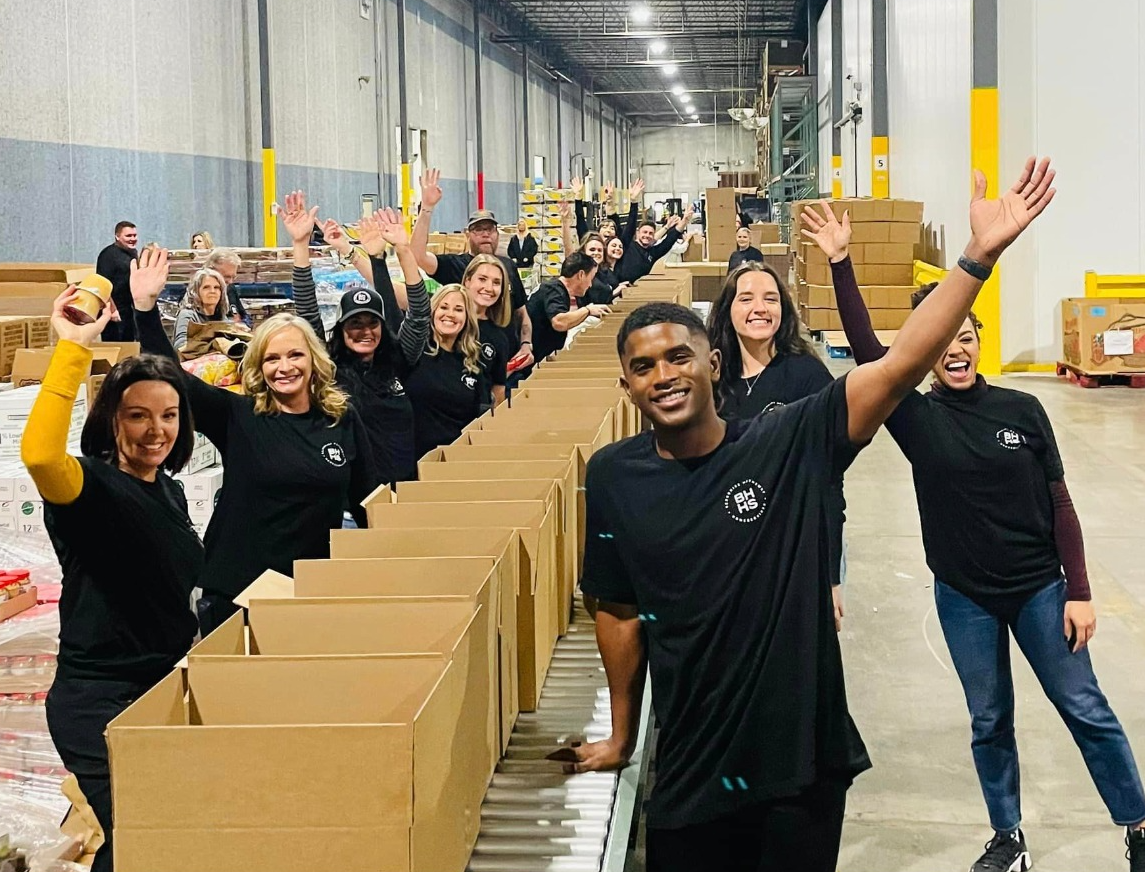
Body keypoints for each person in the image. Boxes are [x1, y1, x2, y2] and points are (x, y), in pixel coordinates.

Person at [565, 156, 1058, 872]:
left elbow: (894, 367)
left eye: (678, 357)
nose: (664, 375)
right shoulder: (613, 475)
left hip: (796, 760)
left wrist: (976, 259)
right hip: (691, 762)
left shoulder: (786, 440)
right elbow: (613, 608)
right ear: (626, 385)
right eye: (644, 367)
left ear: (710, 361)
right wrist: (619, 736)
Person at [800, 178, 1145, 872]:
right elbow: (869, 350)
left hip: (1039, 591)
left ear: (978, 342)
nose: (953, 349)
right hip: (961, 595)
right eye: (941, 341)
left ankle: (1137, 824)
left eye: (965, 336)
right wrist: (839, 263)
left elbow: (1061, 504)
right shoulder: (915, 417)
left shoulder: (1023, 409)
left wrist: (1078, 590)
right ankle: (1007, 837)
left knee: (1084, 709)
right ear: (927, 352)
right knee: (989, 722)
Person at [23, 289, 201, 872]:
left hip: (159, 691)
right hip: (100, 700)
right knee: (142, 832)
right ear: (111, 418)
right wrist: (72, 351)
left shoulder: (169, 490)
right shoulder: (87, 490)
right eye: (137, 414)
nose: (157, 430)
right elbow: (41, 456)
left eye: (169, 415)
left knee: (160, 831)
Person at [130, 248, 378, 636]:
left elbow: (368, 501)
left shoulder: (341, 419)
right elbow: (170, 379)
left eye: (295, 355)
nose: (284, 367)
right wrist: (145, 310)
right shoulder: (239, 416)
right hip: (237, 592)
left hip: (310, 590)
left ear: (313, 360)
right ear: (258, 367)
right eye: (271, 358)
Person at [706, 260, 845, 628]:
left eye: (771, 299)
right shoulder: (710, 379)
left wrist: (830, 576)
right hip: (725, 548)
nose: (760, 309)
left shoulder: (807, 376)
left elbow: (827, 480)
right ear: (727, 310)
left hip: (793, 545)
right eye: (746, 298)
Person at [284, 191, 431, 487]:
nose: (365, 331)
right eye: (354, 324)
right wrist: (300, 246)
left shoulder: (397, 363)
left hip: (404, 492)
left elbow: (418, 314)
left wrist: (402, 249)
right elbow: (308, 314)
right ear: (340, 329)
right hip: (351, 504)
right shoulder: (329, 369)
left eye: (371, 323)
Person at [412, 168, 534, 372]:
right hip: (471, 366)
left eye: (490, 229)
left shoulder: (508, 266)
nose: (486, 234)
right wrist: (426, 209)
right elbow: (418, 255)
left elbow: (522, 313)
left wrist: (526, 344)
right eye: (479, 229)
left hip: (510, 362)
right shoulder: (455, 265)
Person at [404, 285, 485, 459]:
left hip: (455, 461)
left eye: (458, 309)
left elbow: (478, 417)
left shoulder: (472, 362)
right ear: (432, 312)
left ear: (467, 317)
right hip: (413, 460)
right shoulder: (414, 352)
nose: (450, 314)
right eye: (443, 307)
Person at [525, 251, 609, 363]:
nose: (590, 285)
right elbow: (559, 322)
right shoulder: (554, 290)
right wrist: (588, 310)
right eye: (591, 278)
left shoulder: (555, 288)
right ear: (581, 275)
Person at [461, 254, 513, 406]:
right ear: (467, 281)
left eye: (496, 282)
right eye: (482, 279)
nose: (489, 288)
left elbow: (498, 388)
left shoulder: (499, 337)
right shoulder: (447, 322)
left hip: (474, 421)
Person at [615, 209, 691, 284]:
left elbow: (670, 239)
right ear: (638, 233)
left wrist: (685, 221)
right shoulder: (627, 245)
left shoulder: (653, 253)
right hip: (619, 289)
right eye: (645, 232)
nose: (647, 235)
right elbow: (625, 226)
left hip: (638, 290)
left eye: (650, 233)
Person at [96, 221, 139, 341]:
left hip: (129, 312)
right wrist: (112, 310)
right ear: (117, 236)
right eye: (128, 236)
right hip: (115, 313)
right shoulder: (108, 255)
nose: (133, 239)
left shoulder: (132, 253)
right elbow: (102, 284)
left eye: (134, 235)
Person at [173, 267, 227, 348]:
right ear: (196, 292)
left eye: (216, 287)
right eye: (206, 287)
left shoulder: (222, 317)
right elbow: (180, 345)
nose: (212, 291)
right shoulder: (188, 315)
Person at [202, 247, 251, 328]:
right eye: (226, 277)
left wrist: (244, 324)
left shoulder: (230, 288)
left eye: (233, 277)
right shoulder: (194, 295)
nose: (230, 281)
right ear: (211, 271)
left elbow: (244, 316)